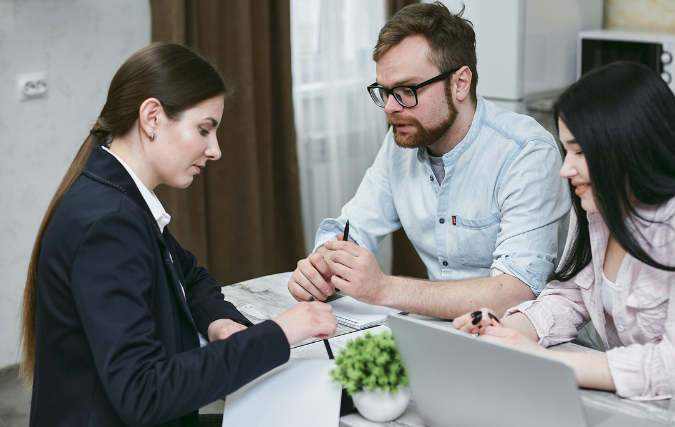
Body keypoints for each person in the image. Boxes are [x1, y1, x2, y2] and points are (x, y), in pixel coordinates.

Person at [20, 42, 337, 427]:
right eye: (204, 130)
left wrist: (218, 321)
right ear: (152, 117)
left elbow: (187, 273)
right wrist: (279, 332)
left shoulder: (118, 195)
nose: (215, 150)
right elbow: (144, 393)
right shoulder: (109, 223)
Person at [288, 1, 571, 318]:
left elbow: (518, 291)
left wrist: (384, 289)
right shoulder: (401, 145)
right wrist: (322, 263)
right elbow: (351, 230)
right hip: (443, 335)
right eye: (384, 91)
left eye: (407, 90)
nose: (390, 108)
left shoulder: (526, 152)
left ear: (460, 83)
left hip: (528, 340)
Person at [453, 61, 675, 400]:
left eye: (580, 152)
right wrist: (505, 330)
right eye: (565, 150)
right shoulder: (597, 208)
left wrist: (546, 361)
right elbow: (569, 297)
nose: (565, 169)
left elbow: (668, 366)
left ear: (629, 144)